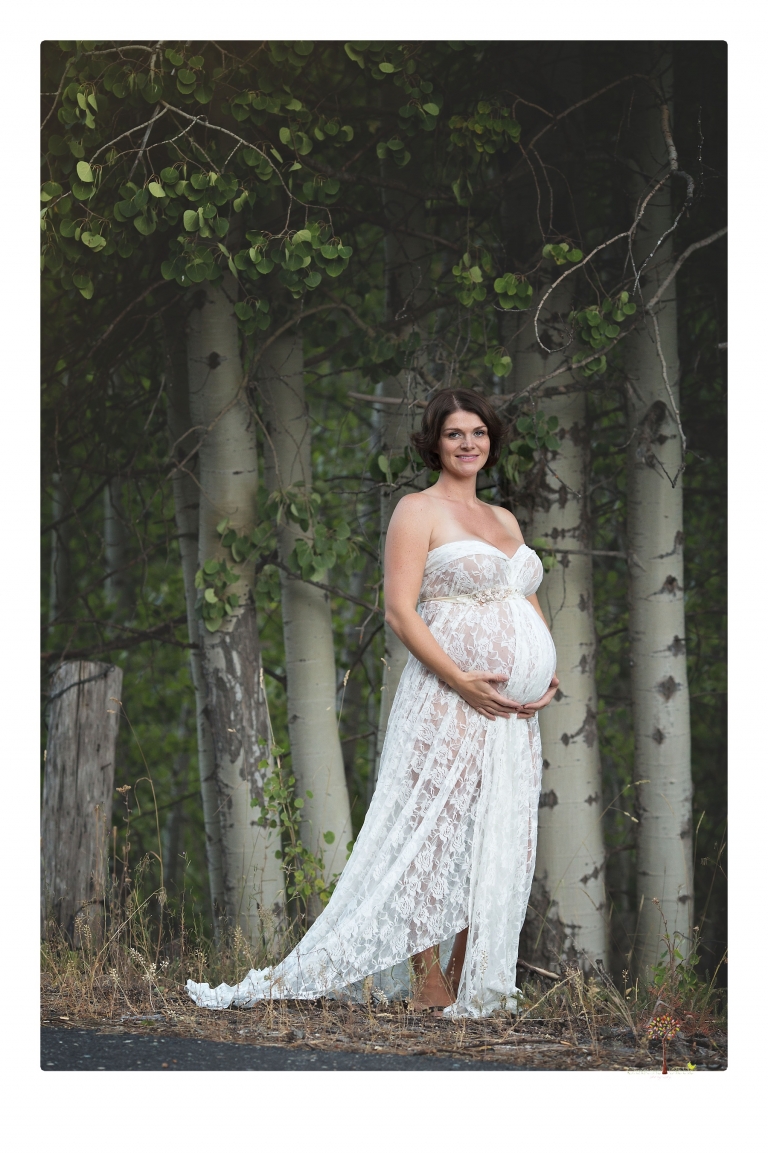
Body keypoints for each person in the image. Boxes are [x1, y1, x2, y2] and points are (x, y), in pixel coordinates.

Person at [186, 388, 559, 1017]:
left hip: (513, 715)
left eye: (478, 433)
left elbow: (522, 600)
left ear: (491, 441)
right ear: (434, 444)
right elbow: (400, 612)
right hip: (447, 698)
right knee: (429, 831)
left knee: (491, 834)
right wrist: (463, 679)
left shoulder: (505, 521)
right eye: (454, 434)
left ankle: (470, 973)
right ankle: (427, 979)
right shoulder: (418, 510)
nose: (468, 444)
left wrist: (543, 675)